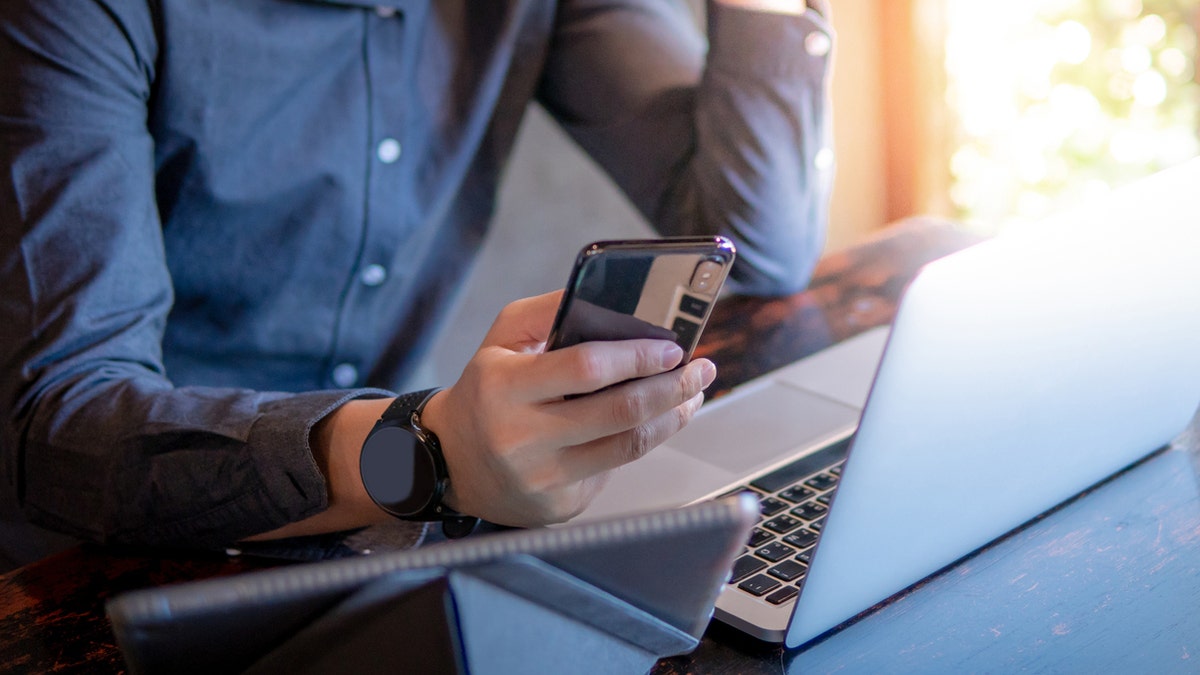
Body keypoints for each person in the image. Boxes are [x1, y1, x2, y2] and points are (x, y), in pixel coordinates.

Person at [0, 0, 835, 570]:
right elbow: (61, 426)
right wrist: (426, 452)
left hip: (365, 542)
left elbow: (755, 242)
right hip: (84, 566)